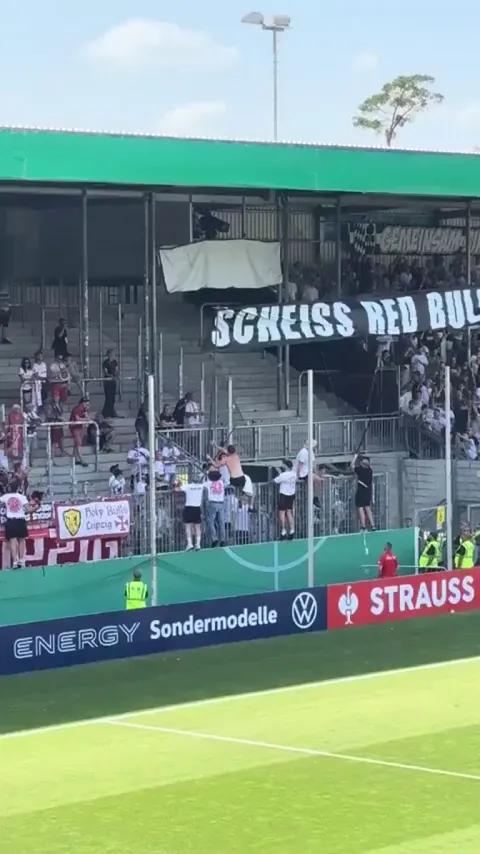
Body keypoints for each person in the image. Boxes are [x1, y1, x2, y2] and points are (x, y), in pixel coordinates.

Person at [0, 484, 39, 569]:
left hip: (10, 521)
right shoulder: (22, 497)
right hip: (20, 521)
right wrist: (36, 507)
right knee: (22, 541)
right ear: (18, 488)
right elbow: (29, 510)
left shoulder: (6, 496)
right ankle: (22, 561)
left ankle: (15, 562)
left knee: (13, 542)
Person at [177, 478, 204, 551]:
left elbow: (177, 489)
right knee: (197, 527)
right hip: (197, 508)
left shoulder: (187, 486)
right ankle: (198, 544)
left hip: (189, 507)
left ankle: (190, 543)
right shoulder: (201, 486)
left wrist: (177, 483)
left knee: (188, 526)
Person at [351, 453, 375, 531]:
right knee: (368, 508)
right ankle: (373, 525)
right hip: (368, 492)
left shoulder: (360, 470)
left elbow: (352, 467)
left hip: (361, 491)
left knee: (360, 508)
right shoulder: (370, 471)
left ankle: (363, 526)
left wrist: (354, 457)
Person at [274, 459, 296, 541]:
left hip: (284, 495)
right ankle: (292, 530)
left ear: (286, 466)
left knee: (282, 513)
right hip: (291, 495)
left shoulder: (283, 475)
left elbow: (275, 481)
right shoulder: (294, 474)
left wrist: (279, 473)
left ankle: (283, 531)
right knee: (289, 512)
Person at [204, 467, 226, 547]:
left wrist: (206, 473)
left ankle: (214, 538)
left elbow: (201, 485)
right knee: (221, 522)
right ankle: (223, 539)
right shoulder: (221, 482)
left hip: (212, 503)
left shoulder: (208, 483)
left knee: (210, 521)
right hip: (221, 503)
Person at [70, 397, 89, 467]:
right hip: (74, 427)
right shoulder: (76, 408)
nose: (87, 405)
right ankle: (81, 460)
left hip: (80, 427)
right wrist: (84, 419)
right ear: (82, 403)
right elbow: (77, 419)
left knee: (77, 443)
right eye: (86, 403)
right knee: (78, 443)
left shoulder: (84, 409)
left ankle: (74, 459)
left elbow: (87, 417)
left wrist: (84, 419)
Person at [102, 349, 119, 418]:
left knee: (112, 398)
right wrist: (111, 376)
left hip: (113, 381)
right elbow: (105, 372)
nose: (113, 355)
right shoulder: (105, 362)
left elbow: (117, 370)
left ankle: (111, 413)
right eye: (111, 354)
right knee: (108, 398)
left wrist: (116, 375)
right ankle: (106, 413)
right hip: (107, 381)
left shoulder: (115, 362)